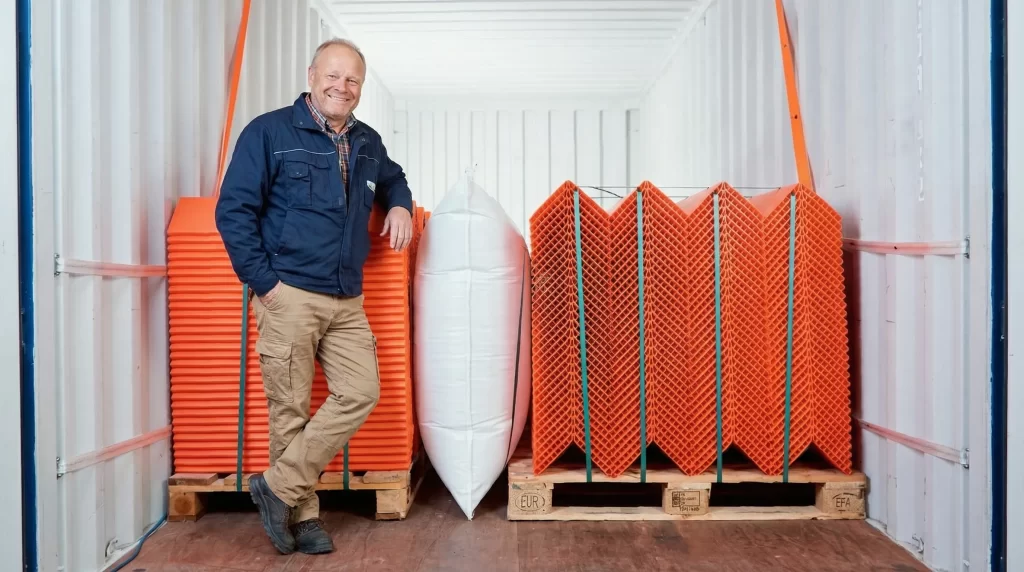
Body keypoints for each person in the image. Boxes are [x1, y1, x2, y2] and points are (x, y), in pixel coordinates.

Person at [214, 37, 413, 555]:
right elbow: (232, 211)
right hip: (290, 292)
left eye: (352, 80)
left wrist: (401, 205)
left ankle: (276, 487)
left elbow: (394, 179)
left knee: (361, 391)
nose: (340, 87)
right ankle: (303, 521)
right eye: (333, 75)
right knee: (291, 409)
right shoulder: (269, 132)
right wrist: (266, 284)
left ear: (360, 89)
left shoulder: (367, 142)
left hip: (347, 296)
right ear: (311, 75)